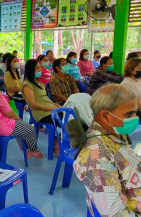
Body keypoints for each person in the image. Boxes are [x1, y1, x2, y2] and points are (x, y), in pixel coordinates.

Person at [74, 84, 141, 217]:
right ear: (105, 115)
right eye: (129, 114)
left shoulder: (114, 130)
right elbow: (116, 214)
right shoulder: (97, 159)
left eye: (136, 112)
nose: (135, 117)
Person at [21, 59, 61, 155]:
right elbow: (32, 104)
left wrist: (56, 105)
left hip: (51, 110)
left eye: (40, 67)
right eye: (37, 68)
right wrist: (52, 109)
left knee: (73, 119)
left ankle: (56, 141)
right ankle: (56, 146)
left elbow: (45, 99)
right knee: (68, 122)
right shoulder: (27, 85)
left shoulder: (38, 83)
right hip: (41, 114)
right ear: (31, 70)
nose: (40, 69)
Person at [0, 93, 42, 160]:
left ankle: (27, 151)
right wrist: (19, 121)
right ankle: (34, 150)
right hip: (1, 124)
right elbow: (10, 113)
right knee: (30, 129)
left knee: (21, 129)